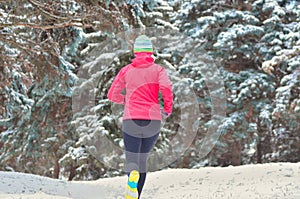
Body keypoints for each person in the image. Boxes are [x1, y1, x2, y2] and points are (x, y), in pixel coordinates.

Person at [107, 35, 173, 199]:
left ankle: (132, 182)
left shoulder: (126, 70)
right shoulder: (158, 70)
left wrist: (125, 100)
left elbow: (112, 94)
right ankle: (136, 196)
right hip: (153, 120)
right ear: (150, 52)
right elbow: (167, 89)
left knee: (132, 158)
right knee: (142, 160)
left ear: (135, 52)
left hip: (131, 119)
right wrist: (167, 108)